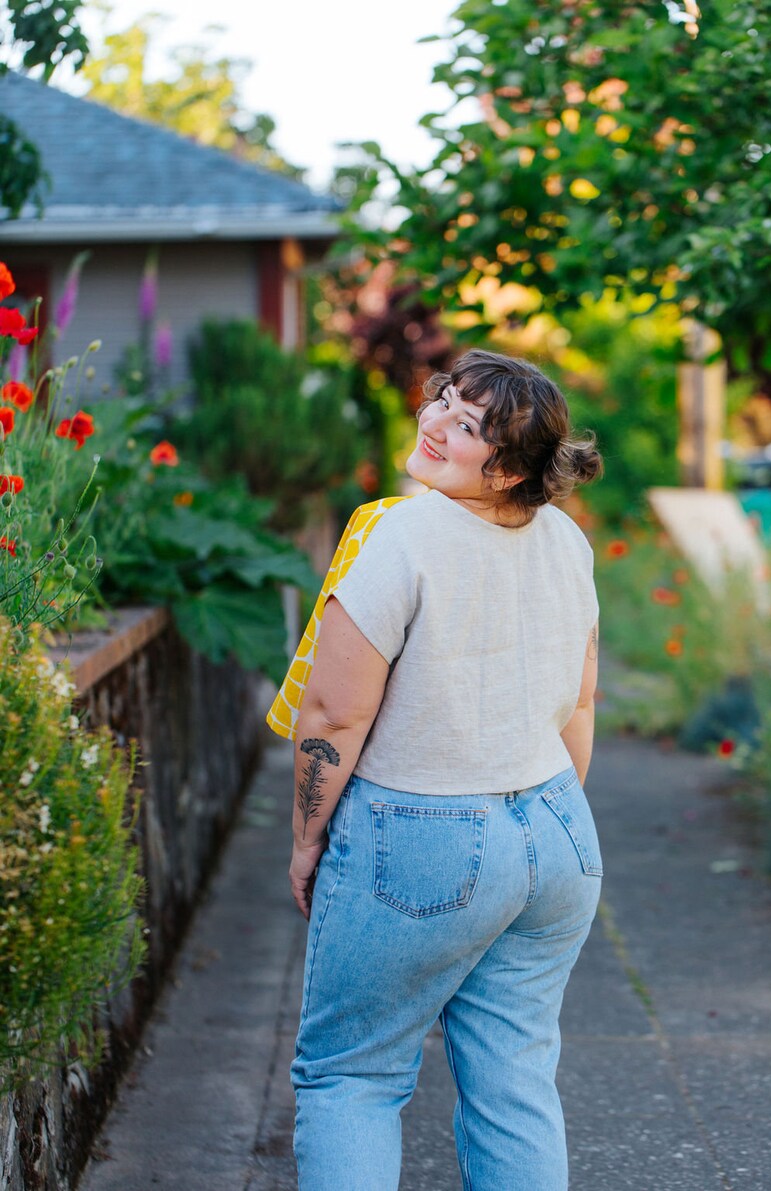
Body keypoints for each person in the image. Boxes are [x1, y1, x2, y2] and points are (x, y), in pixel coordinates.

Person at [285, 348, 604, 1191]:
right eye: (442, 402)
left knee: (352, 1076)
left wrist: (308, 839)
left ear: (507, 472)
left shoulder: (404, 534)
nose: (433, 423)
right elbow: (579, 706)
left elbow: (333, 715)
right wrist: (544, 822)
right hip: (557, 832)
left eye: (466, 426)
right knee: (514, 1080)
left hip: (423, 834)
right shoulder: (567, 542)